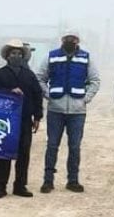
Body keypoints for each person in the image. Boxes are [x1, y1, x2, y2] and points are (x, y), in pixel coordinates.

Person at [37, 30, 100, 193]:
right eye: (67, 39)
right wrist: (48, 95)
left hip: (77, 111)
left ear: (78, 41)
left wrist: (86, 98)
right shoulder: (51, 56)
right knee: (52, 145)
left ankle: (73, 180)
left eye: (73, 39)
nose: (70, 41)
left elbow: (94, 80)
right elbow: (40, 78)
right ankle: (48, 181)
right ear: (62, 40)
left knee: (74, 147)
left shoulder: (86, 58)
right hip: (55, 109)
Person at [0, 39, 43, 198]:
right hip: (5, 120)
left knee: (23, 153)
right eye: (13, 53)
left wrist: (37, 116)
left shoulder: (29, 75)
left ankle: (20, 185)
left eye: (19, 54)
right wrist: (9, 91)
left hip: (25, 119)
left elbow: (37, 95)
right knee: (4, 152)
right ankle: (0, 186)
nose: (16, 56)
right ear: (7, 56)